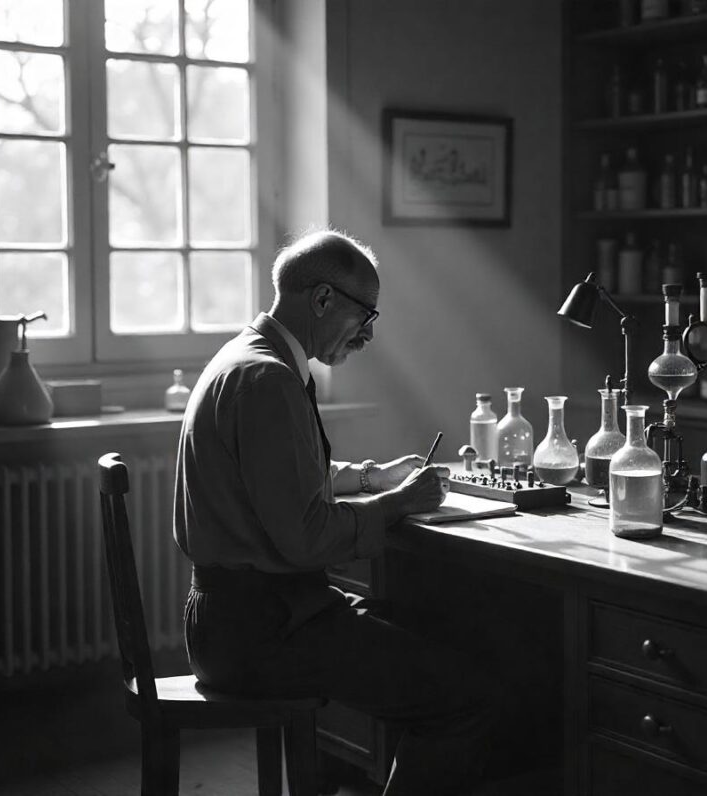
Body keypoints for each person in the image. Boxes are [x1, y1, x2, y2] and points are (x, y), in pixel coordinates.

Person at [174, 229, 499, 795]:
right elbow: (305, 538)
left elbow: (278, 480)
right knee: (461, 697)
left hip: (234, 620)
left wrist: (373, 476)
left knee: (420, 632)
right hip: (263, 633)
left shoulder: (248, 357)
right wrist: (399, 504)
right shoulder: (270, 380)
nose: (369, 334)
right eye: (366, 314)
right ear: (322, 299)